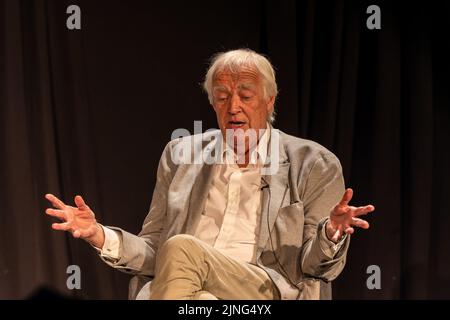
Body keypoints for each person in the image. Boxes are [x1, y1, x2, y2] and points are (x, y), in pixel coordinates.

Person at [44, 49, 375, 300]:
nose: (233, 107)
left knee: (185, 250)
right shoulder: (180, 155)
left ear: (269, 100)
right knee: (196, 293)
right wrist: (99, 235)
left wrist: (331, 233)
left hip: (264, 292)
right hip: (189, 290)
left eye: (245, 97)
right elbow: (155, 250)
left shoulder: (313, 162)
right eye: (222, 97)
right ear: (212, 103)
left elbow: (315, 266)